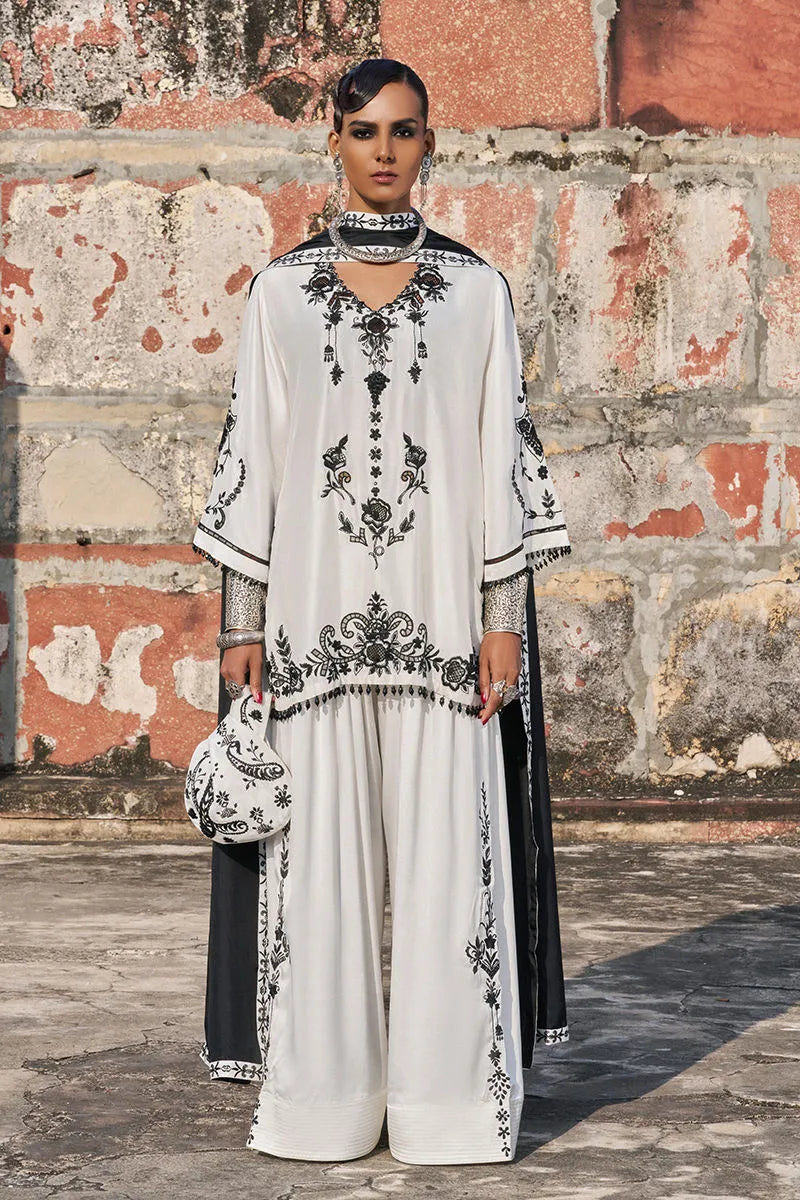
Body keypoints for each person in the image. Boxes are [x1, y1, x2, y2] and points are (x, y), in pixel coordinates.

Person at [192, 57, 571, 1165]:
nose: (384, 150)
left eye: (403, 131)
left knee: (455, 880)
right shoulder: (277, 294)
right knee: (318, 892)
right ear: (334, 144)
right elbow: (254, 463)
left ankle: (449, 1113)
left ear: (430, 144)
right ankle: (322, 1107)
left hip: (445, 635)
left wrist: (502, 616)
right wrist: (241, 624)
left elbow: (500, 463)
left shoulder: (476, 293)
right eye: (363, 131)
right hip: (311, 636)